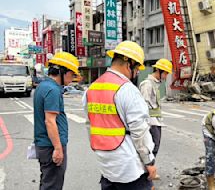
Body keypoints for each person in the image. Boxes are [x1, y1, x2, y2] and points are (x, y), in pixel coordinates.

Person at [84, 41, 156, 189]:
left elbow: (90, 125)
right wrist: (149, 162)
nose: (136, 73)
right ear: (129, 63)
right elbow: (139, 132)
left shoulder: (92, 88)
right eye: (136, 69)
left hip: (105, 164)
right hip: (129, 167)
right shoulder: (127, 90)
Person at [33, 52, 80, 190]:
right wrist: (58, 149)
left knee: (47, 182)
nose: (73, 78)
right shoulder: (52, 90)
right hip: (51, 146)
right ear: (62, 71)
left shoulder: (43, 86)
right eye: (71, 74)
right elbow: (50, 121)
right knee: (52, 185)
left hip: (45, 145)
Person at [139, 59, 172, 158]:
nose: (166, 76)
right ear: (159, 70)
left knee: (155, 146)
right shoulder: (147, 84)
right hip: (150, 122)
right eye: (165, 73)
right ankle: (147, 170)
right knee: (151, 147)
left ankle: (149, 169)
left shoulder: (155, 84)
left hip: (156, 121)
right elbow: (143, 104)